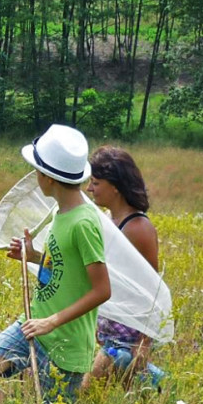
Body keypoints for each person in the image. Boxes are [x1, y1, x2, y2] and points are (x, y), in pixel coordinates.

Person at [0, 125, 110, 404]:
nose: (34, 175)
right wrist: (33, 256)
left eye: (36, 170)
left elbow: (102, 290)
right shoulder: (61, 211)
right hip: (34, 324)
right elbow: (65, 268)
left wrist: (51, 322)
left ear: (47, 177)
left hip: (65, 343)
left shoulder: (84, 223)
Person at [84, 146, 165, 387]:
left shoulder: (138, 227)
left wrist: (144, 343)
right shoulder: (110, 220)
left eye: (96, 183)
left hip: (126, 338)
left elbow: (153, 290)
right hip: (109, 333)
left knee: (84, 395)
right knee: (113, 403)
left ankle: (156, 386)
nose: (89, 189)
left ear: (115, 186)